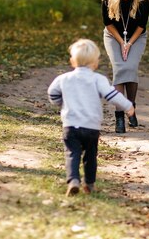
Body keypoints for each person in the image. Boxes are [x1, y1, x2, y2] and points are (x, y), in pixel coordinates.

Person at [47, 39, 134, 196]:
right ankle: (89, 184)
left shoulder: (64, 78)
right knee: (90, 156)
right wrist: (128, 106)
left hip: (70, 125)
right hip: (91, 127)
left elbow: (52, 93)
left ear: (72, 61)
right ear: (95, 63)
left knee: (72, 153)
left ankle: (73, 180)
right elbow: (112, 95)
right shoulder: (98, 79)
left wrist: (61, 104)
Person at [101, 0, 149, 134]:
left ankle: (131, 106)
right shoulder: (107, 1)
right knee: (120, 69)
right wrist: (122, 42)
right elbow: (108, 25)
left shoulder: (143, 2)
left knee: (130, 67)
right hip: (113, 36)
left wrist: (129, 44)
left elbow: (142, 26)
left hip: (137, 37)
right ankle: (119, 115)